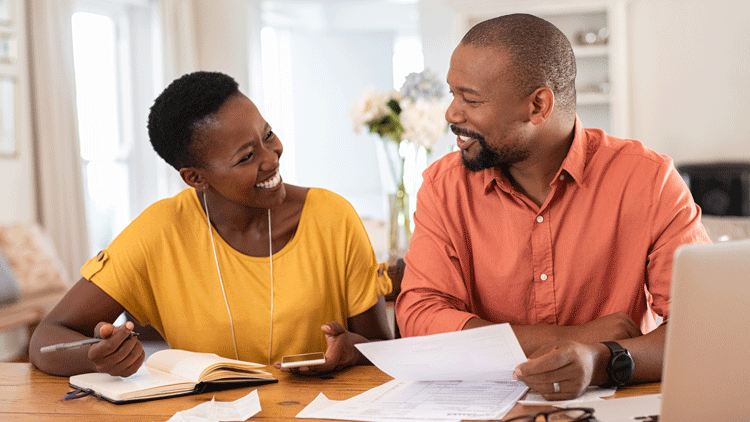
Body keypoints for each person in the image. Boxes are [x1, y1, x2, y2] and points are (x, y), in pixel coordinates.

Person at [395, 14, 711, 400]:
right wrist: (568, 338)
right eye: (452, 94)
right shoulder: (444, 187)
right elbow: (419, 316)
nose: (452, 114)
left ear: (539, 105)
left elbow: (702, 327)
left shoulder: (648, 180)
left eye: (471, 99)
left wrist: (600, 360)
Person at [30, 71, 393, 377]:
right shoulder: (159, 232)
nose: (272, 158)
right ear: (195, 178)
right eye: (247, 156)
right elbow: (46, 339)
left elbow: (382, 349)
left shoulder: (332, 217)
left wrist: (350, 351)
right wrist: (99, 358)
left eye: (267, 135)